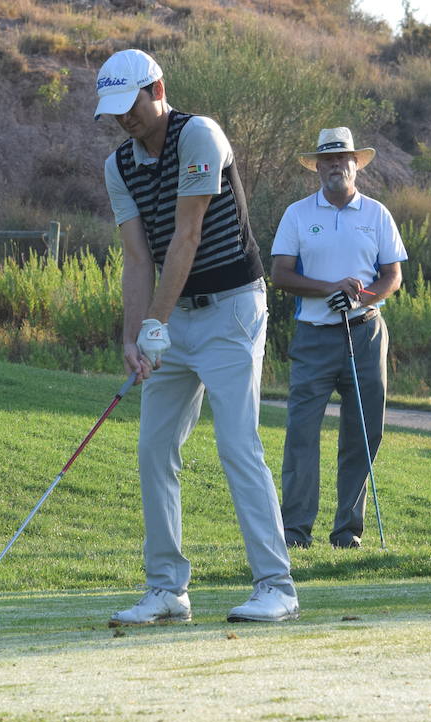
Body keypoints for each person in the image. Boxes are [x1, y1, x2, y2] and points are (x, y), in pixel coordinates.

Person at [94, 48, 298, 625]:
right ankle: (166, 590)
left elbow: (187, 236)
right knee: (154, 448)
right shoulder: (119, 166)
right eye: (112, 111)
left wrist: (155, 322)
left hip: (232, 308)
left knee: (237, 445)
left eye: (129, 105)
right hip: (172, 318)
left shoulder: (200, 135)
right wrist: (133, 338)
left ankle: (276, 585)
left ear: (156, 88)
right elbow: (139, 257)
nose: (123, 119)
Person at [270, 128, 406, 549]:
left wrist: (362, 297)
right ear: (317, 167)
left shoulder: (377, 214)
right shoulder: (297, 214)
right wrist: (331, 288)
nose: (334, 165)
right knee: (301, 436)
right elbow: (281, 274)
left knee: (363, 433)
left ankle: (347, 532)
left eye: (342, 158)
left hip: (365, 333)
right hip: (314, 336)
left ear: (356, 165)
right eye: (326, 160)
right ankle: (295, 532)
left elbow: (393, 276)